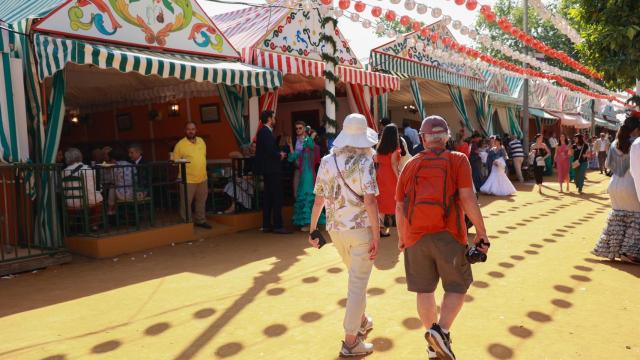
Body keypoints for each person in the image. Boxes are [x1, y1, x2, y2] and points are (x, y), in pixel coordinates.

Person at [395, 116, 488, 360]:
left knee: (424, 290)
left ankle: (431, 340)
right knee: (457, 285)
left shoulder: (410, 164)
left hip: (415, 236)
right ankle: (442, 332)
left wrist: (402, 237)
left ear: (423, 138)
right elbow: (468, 198)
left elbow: (399, 207)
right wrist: (481, 231)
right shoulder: (458, 160)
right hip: (449, 233)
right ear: (446, 136)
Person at [309, 113, 380, 357]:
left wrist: (312, 228)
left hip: (335, 229)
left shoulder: (328, 161)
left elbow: (319, 198)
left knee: (355, 279)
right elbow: (370, 201)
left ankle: (360, 320)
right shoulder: (365, 162)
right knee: (358, 284)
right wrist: (378, 234)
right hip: (360, 229)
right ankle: (351, 342)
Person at [592, 115, 640, 263]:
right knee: (634, 219)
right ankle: (630, 253)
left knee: (617, 218)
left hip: (614, 184)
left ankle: (614, 249)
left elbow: (607, 165)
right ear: (637, 129)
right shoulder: (636, 143)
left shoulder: (615, 143)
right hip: (631, 184)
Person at [255, 111, 290, 234]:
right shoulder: (265, 132)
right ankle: (278, 225)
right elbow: (270, 150)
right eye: (273, 117)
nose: (275, 119)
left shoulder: (264, 132)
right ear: (270, 119)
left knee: (269, 197)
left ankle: (267, 225)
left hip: (268, 169)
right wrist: (279, 155)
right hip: (272, 169)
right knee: (277, 197)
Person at [173, 121, 212, 229]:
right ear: (185, 131)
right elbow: (174, 161)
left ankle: (200, 220)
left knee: (201, 201)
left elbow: (203, 156)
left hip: (202, 178)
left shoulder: (201, 141)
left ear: (196, 130)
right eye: (189, 129)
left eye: (193, 129)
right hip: (187, 179)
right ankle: (187, 223)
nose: (191, 131)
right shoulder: (180, 144)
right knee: (186, 203)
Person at [287, 127, 324, 231]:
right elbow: (292, 157)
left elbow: (310, 143)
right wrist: (290, 145)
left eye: (305, 138)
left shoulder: (314, 148)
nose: (303, 140)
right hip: (304, 176)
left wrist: (311, 134)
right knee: (303, 197)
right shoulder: (303, 151)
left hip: (309, 176)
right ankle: (308, 223)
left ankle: (310, 225)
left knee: (309, 197)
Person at [375, 124, 401, 237]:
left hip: (380, 175)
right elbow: (394, 165)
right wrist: (399, 178)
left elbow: (376, 160)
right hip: (390, 176)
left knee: (381, 203)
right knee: (397, 202)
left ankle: (380, 229)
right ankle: (402, 229)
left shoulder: (379, 148)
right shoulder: (395, 150)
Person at [107, 148, 134, 215]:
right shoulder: (131, 164)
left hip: (123, 194)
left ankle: (110, 210)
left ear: (113, 158)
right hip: (133, 191)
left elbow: (113, 181)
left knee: (112, 187)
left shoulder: (115, 166)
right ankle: (113, 210)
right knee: (114, 187)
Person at [290, 121, 308, 198]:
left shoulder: (308, 140)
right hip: (297, 169)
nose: (298, 130)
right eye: (296, 128)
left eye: (300, 128)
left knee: (306, 193)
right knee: (296, 193)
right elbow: (292, 155)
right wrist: (290, 145)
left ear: (304, 129)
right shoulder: (294, 140)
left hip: (306, 170)